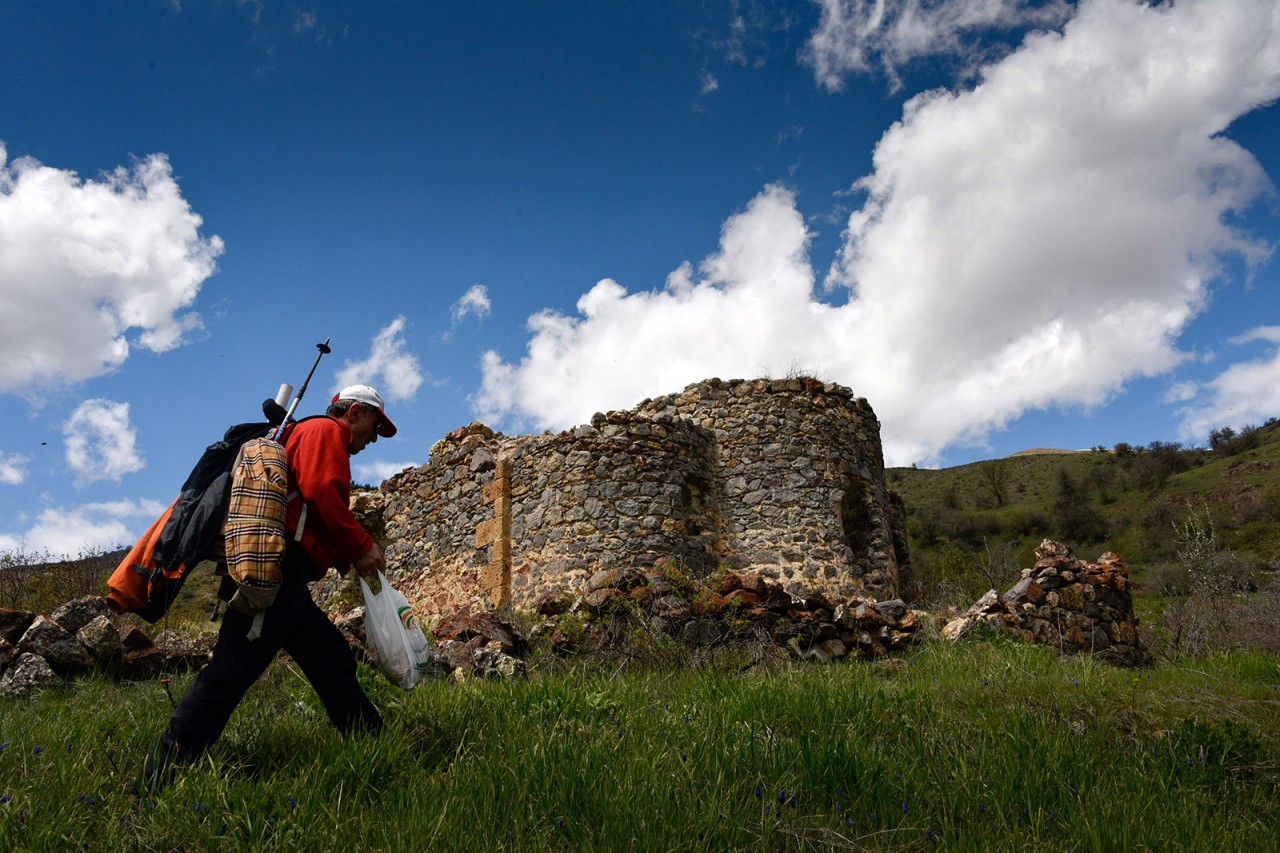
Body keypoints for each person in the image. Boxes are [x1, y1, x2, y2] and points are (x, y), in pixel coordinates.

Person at [136, 384, 398, 792]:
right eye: (374, 427)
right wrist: (361, 546)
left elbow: (305, 509)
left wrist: (337, 554)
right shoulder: (328, 433)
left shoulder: (305, 434)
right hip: (280, 573)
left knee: (330, 655)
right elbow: (321, 493)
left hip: (283, 575)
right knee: (229, 673)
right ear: (356, 413)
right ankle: (158, 779)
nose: (371, 439)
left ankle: (375, 743)